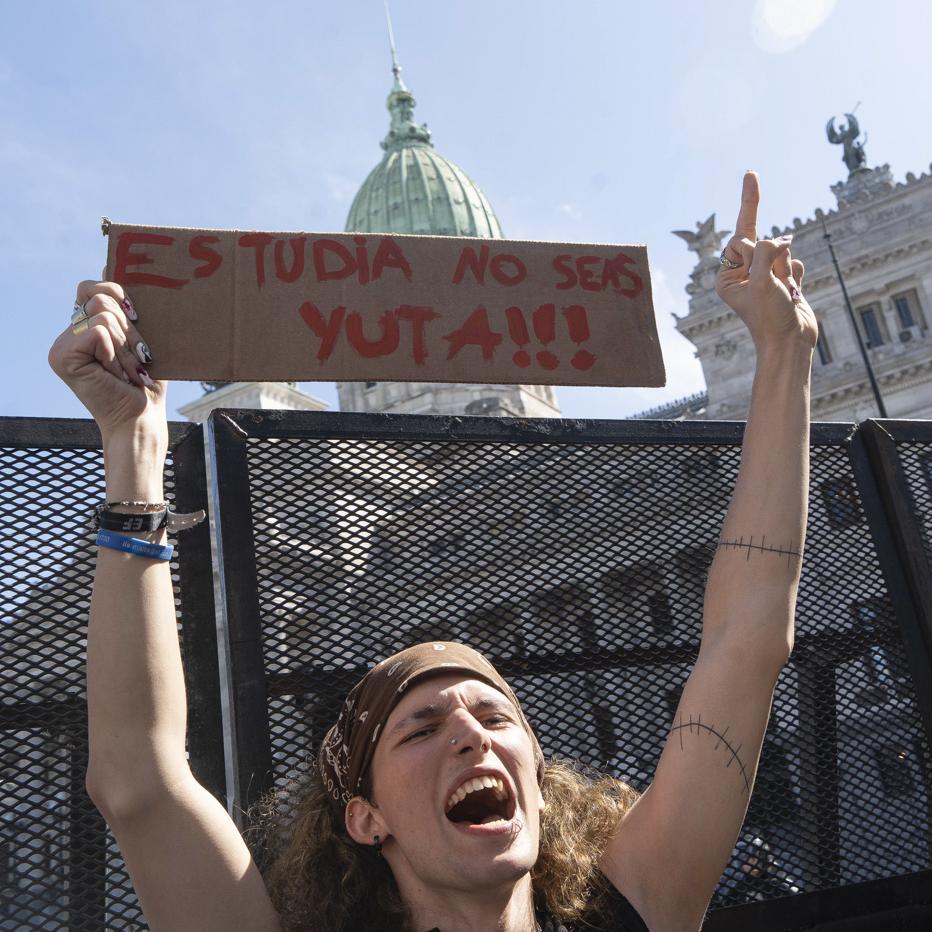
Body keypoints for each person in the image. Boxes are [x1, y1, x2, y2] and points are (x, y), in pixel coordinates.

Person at [48, 171, 816, 932]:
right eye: (420, 729)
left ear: (542, 786)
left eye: (495, 715)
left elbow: (748, 638)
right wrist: (134, 447)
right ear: (364, 817)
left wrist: (783, 353)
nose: (471, 733)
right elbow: (137, 782)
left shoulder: (644, 900)